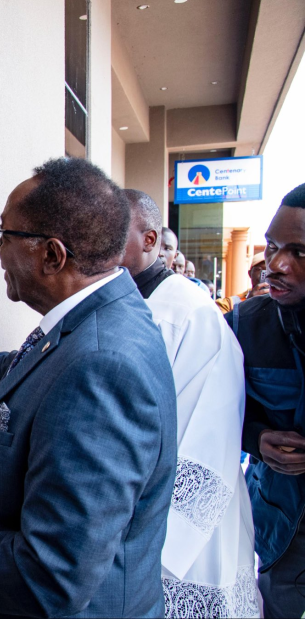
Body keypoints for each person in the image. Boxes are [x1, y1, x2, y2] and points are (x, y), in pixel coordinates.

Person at [0, 158, 177, 617]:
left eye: (4, 234)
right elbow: (10, 374)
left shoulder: (100, 366)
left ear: (52, 256)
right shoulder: (100, 318)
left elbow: (51, 573)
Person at [121, 188, 258, 618]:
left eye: (112, 232)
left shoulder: (187, 313)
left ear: (150, 240)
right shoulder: (128, 302)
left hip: (180, 533)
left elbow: (209, 435)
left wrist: (151, 541)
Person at [232, 183, 305, 618]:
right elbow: (212, 411)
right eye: (273, 246)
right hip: (280, 532)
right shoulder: (242, 325)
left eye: (299, 252)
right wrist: (257, 439)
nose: (275, 265)